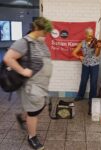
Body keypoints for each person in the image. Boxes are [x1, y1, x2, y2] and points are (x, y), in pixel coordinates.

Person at [3, 17, 53, 150]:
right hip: (31, 85)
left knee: (40, 106)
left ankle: (23, 117)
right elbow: (8, 58)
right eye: (44, 32)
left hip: (41, 84)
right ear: (36, 29)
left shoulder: (39, 41)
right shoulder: (23, 42)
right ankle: (32, 137)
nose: (46, 35)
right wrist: (23, 71)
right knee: (34, 111)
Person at [72, 28, 101, 115]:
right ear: (85, 35)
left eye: (92, 34)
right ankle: (80, 96)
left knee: (93, 82)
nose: (91, 36)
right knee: (83, 80)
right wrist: (79, 57)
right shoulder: (82, 43)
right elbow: (74, 52)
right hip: (85, 64)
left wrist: (98, 47)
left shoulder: (95, 42)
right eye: (89, 35)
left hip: (94, 64)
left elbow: (96, 54)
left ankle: (92, 99)